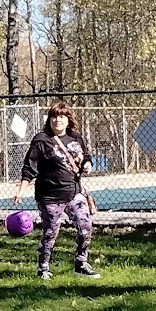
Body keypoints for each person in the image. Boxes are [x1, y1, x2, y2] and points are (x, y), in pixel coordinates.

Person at [14, 100, 99, 279]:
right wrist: (21, 190)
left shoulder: (76, 138)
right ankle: (43, 268)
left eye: (61, 117)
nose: (57, 120)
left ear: (68, 120)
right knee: (51, 232)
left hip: (74, 192)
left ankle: (81, 263)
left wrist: (88, 164)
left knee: (85, 226)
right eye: (53, 117)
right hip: (49, 196)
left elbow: (86, 156)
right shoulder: (41, 141)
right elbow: (30, 167)